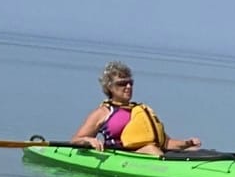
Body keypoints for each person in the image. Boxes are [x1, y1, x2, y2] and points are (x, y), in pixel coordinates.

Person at [70, 61, 204, 156]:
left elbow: (165, 142)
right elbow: (76, 140)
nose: (128, 86)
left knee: (193, 150)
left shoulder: (140, 111)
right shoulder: (102, 113)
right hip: (121, 156)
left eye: (130, 83)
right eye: (122, 83)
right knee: (150, 149)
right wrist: (89, 140)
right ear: (110, 87)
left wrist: (187, 143)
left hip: (151, 153)